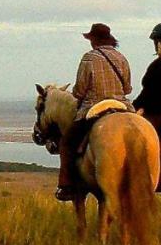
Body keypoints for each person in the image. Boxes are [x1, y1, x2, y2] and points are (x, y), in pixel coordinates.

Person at [55, 22, 132, 201]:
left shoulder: (88, 58)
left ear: (94, 40)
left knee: (67, 142)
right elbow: (127, 88)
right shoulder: (121, 58)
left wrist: (78, 94)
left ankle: (67, 185)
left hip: (94, 107)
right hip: (122, 107)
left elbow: (80, 90)